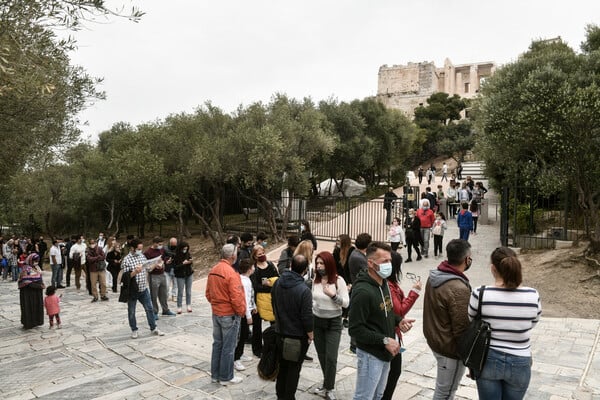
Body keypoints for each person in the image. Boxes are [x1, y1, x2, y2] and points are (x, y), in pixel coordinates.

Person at [471, 247, 542, 399]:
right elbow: (532, 322)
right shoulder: (532, 295)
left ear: (493, 268)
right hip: (520, 360)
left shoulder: (480, 293)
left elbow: (472, 320)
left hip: (487, 358)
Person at [349, 242, 415, 400]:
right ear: (371, 263)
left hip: (385, 352)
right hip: (371, 355)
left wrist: (398, 321)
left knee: (378, 395)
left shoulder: (383, 283)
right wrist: (384, 340)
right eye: (384, 261)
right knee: (365, 396)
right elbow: (355, 329)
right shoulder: (363, 292)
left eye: (390, 260)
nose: (389, 265)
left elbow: (387, 310)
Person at [423, 239, 473, 400]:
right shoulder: (457, 288)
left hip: (437, 340)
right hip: (450, 349)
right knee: (446, 392)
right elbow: (462, 327)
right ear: (466, 259)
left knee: (444, 389)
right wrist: (467, 356)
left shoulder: (435, 276)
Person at [271, 254, 314, 400]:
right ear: (305, 270)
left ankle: (280, 396)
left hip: (280, 332)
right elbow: (307, 316)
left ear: (291, 265)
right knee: (293, 370)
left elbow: (273, 303)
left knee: (282, 367)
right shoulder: (304, 290)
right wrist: (310, 334)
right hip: (296, 337)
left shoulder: (277, 283)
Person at [381, 252, 421, 400]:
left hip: (394, 331)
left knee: (393, 371)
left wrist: (400, 321)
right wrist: (414, 292)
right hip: (388, 335)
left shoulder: (392, 284)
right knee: (392, 372)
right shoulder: (389, 286)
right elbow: (400, 309)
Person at [206, 243, 246, 385]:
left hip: (216, 313)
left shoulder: (213, 270)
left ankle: (215, 375)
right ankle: (226, 377)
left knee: (217, 344)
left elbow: (208, 293)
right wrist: (241, 312)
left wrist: (216, 304)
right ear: (233, 256)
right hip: (229, 314)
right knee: (228, 347)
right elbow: (237, 297)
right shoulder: (231, 273)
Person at [311, 251, 350, 400]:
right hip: (317, 321)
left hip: (333, 322)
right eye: (318, 263)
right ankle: (326, 385)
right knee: (321, 355)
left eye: (322, 263)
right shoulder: (315, 280)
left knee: (331, 357)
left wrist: (333, 296)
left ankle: (330, 388)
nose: (319, 266)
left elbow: (346, 303)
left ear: (329, 264)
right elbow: (312, 298)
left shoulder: (338, 281)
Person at [121, 239, 165, 339]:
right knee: (131, 311)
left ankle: (153, 328)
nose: (140, 251)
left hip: (143, 288)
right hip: (133, 290)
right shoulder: (127, 260)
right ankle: (134, 330)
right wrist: (135, 272)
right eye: (138, 249)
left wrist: (156, 263)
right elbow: (126, 277)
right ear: (132, 248)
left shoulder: (142, 256)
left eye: (141, 249)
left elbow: (148, 268)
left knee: (149, 309)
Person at [250, 245, 279, 357]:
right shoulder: (254, 268)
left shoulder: (271, 265)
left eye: (263, 253)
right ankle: (257, 349)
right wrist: (269, 287)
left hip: (271, 299)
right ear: (254, 256)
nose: (262, 255)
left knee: (275, 323)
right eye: (259, 254)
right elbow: (255, 286)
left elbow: (277, 278)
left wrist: (271, 284)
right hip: (258, 300)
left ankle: (274, 345)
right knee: (257, 326)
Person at [144, 236, 176, 318]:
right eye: (159, 244)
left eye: (162, 244)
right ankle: (154, 312)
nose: (161, 245)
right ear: (154, 243)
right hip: (153, 275)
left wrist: (166, 261)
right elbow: (146, 265)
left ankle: (165, 310)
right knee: (154, 295)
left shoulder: (161, 250)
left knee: (163, 293)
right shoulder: (148, 252)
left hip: (162, 274)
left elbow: (163, 258)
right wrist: (155, 265)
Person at [234, 258, 256, 371]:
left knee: (244, 334)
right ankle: (236, 358)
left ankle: (240, 353)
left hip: (246, 310)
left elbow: (250, 296)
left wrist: (254, 306)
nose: (254, 268)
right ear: (249, 269)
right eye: (253, 266)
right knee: (242, 335)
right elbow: (245, 300)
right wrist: (248, 316)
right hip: (243, 313)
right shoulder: (245, 282)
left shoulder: (247, 279)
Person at [19, 253, 45, 329]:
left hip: (36, 292)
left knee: (36, 307)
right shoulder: (26, 269)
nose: (36, 262)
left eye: (37, 261)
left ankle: (36, 321)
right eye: (35, 261)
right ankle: (29, 323)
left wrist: (41, 284)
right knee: (29, 307)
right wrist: (39, 286)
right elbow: (26, 281)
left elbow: (39, 277)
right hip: (28, 293)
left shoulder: (36, 267)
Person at [333, 234, 354, 327]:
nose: (337, 242)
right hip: (339, 277)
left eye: (339, 240)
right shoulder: (336, 251)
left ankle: (346, 317)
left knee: (347, 297)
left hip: (348, 278)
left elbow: (350, 268)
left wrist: (350, 282)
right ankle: (340, 316)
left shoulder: (351, 251)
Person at [173, 241, 193, 314]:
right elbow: (175, 267)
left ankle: (188, 305)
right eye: (184, 249)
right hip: (180, 275)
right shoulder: (175, 256)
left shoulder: (188, 254)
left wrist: (190, 262)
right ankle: (179, 306)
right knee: (180, 292)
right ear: (180, 248)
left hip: (189, 274)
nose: (185, 250)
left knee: (188, 291)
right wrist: (183, 264)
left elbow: (190, 261)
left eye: (186, 249)